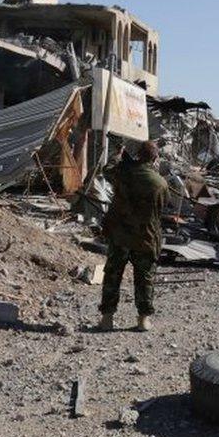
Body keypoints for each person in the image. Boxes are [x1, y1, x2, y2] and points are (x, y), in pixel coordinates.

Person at [98, 141, 169, 331]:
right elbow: (162, 207)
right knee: (144, 278)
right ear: (155, 159)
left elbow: (107, 170)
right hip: (145, 237)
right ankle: (143, 319)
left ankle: (107, 319)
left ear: (138, 155)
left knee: (113, 275)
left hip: (120, 235)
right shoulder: (160, 183)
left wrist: (118, 154)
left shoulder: (122, 173)